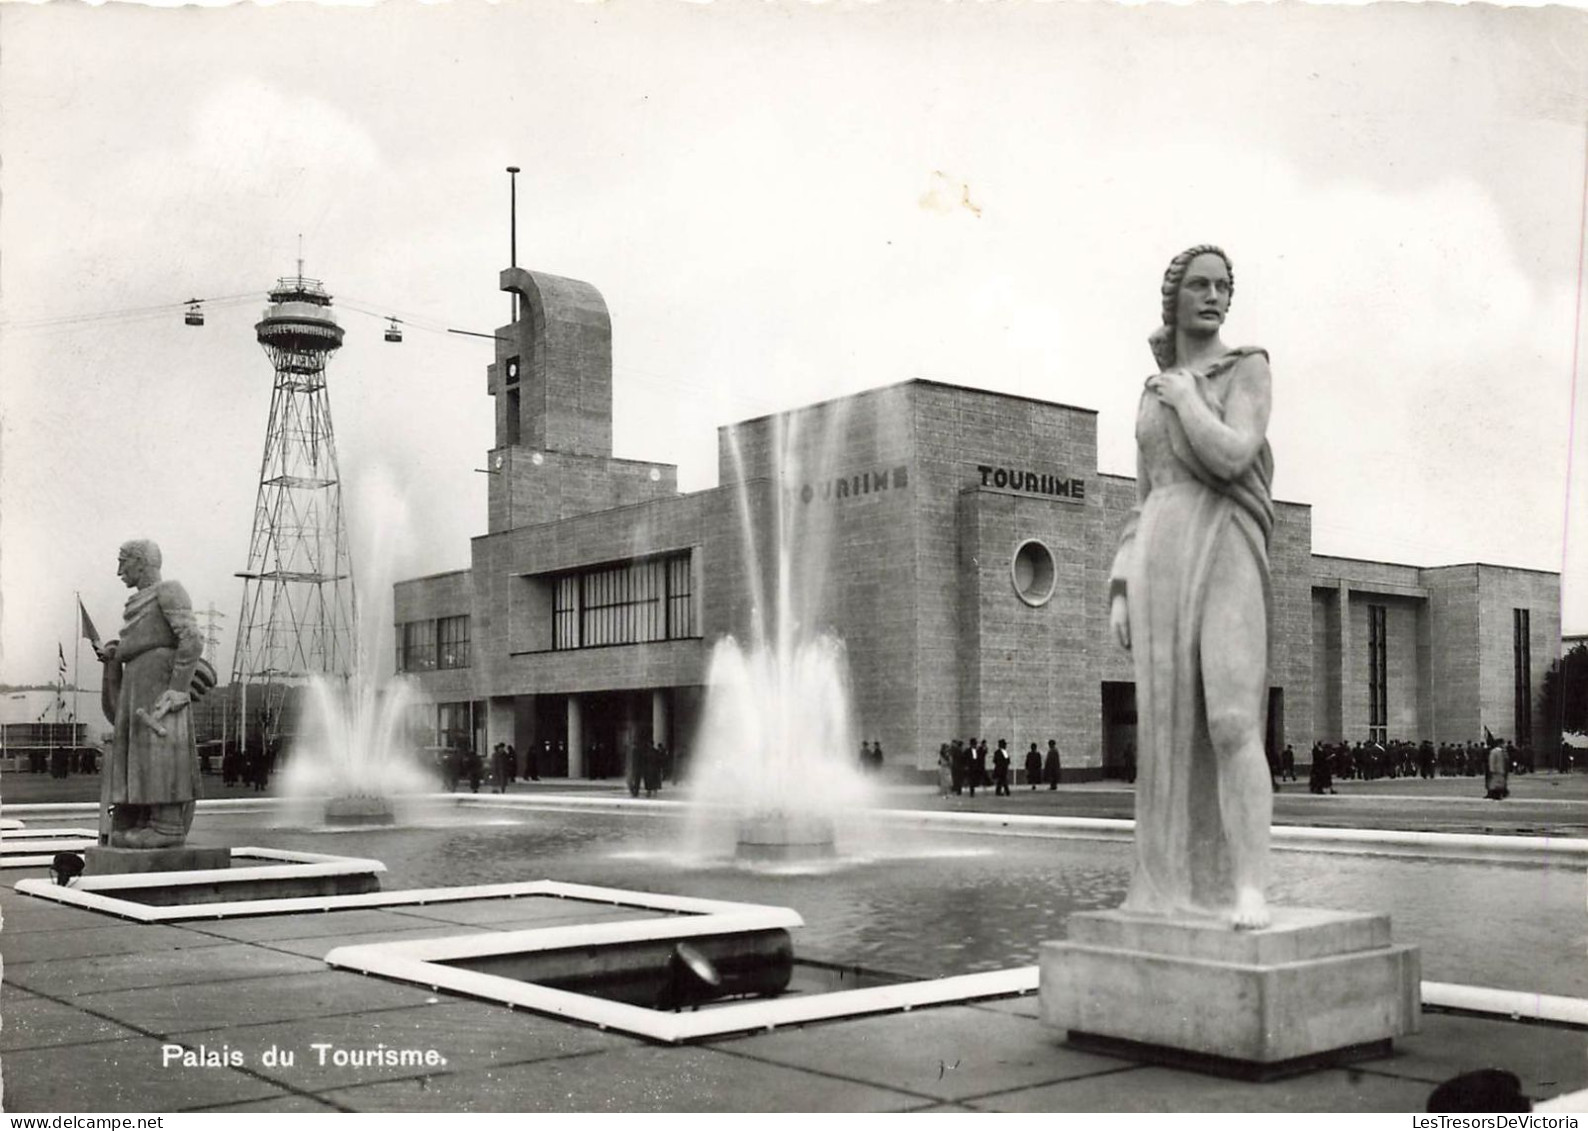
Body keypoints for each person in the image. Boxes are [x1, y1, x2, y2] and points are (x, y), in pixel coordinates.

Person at [1108, 246, 1274, 930]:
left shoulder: (1248, 366)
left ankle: (1250, 888)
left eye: (1223, 286)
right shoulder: (1149, 396)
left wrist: (1186, 397)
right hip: (1159, 554)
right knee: (1166, 732)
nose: (1214, 296)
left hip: (1227, 537)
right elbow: (1141, 497)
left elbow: (1234, 453)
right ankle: (1174, 883)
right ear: (1174, 298)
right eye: (1200, 285)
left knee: (1232, 719)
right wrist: (1119, 582)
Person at [98, 540, 205, 849]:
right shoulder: (139, 600)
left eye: (124, 562)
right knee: (140, 752)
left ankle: (167, 824)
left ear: (142, 562)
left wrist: (177, 688)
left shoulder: (168, 590)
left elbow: (192, 638)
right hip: (139, 682)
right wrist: (116, 656)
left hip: (161, 684)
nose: (119, 570)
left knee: (160, 751)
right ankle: (145, 818)